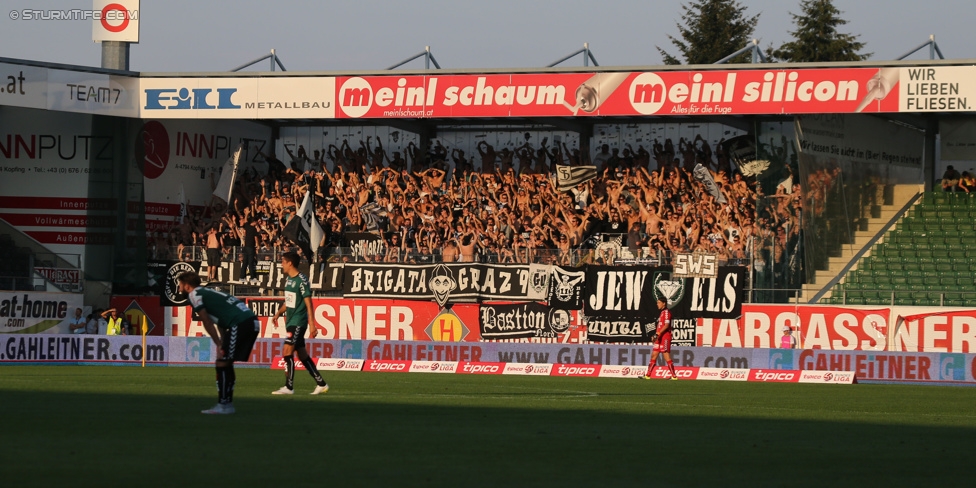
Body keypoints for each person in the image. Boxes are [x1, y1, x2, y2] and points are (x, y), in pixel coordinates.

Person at [178, 271, 260, 415]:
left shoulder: (194, 295)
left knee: (222, 362)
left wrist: (218, 343)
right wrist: (222, 341)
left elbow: (207, 321)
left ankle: (224, 405)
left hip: (241, 323)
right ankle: (226, 403)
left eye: (180, 284)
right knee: (225, 361)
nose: (178, 288)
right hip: (249, 322)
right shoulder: (207, 292)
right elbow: (221, 318)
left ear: (186, 285)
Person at [271, 252, 329, 395]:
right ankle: (321, 383)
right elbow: (289, 301)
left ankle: (289, 387)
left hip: (298, 321)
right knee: (302, 355)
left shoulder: (301, 280)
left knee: (287, 351)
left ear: (290, 263)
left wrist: (312, 324)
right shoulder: (289, 280)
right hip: (290, 320)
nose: (281, 265)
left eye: (283, 262)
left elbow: (308, 303)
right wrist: (278, 313)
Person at [642, 297, 678, 380]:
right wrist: (656, 335)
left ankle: (674, 376)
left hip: (665, 337)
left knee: (666, 356)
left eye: (659, 302)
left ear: (664, 303)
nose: (657, 304)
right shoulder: (662, 313)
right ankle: (648, 375)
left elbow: (666, 325)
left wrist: (657, 334)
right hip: (659, 337)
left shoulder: (666, 312)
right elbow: (660, 326)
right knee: (653, 355)